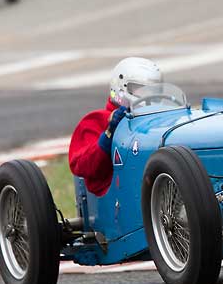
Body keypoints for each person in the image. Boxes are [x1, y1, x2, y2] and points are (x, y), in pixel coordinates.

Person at [68, 57, 163, 196]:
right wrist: (108, 135)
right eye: (140, 90)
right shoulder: (96, 120)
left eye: (152, 91)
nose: (147, 96)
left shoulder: (158, 121)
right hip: (115, 196)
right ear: (120, 87)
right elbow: (79, 166)